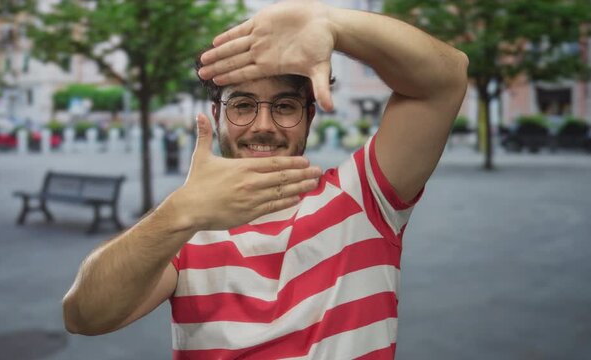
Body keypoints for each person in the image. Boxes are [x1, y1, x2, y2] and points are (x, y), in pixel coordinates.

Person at [62, 1, 468, 358]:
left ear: (309, 117)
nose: (263, 126)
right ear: (217, 113)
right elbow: (84, 315)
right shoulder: (185, 230)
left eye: (285, 106)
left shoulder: (365, 196)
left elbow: (446, 78)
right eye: (241, 105)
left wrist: (331, 23)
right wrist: (178, 212)